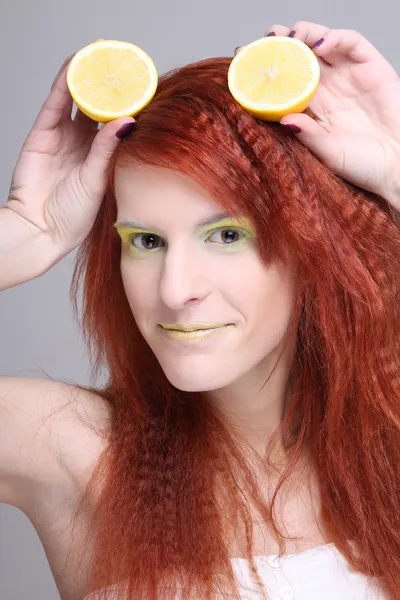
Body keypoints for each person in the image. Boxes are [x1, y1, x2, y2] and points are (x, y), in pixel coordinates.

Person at [1, 19, 399, 600]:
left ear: (314, 245)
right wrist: (22, 234)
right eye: (146, 241)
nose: (174, 289)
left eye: (227, 236)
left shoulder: (387, 444)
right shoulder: (73, 451)